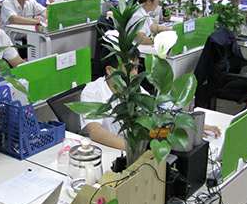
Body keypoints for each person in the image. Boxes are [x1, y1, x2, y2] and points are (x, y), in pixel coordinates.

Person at [79, 51, 221, 150]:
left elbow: (158, 113)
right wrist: (135, 149)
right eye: (129, 68)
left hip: (137, 145)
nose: (135, 73)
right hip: (109, 151)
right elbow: (96, 132)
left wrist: (188, 127)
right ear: (110, 70)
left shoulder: (135, 88)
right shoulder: (93, 91)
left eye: (136, 67)